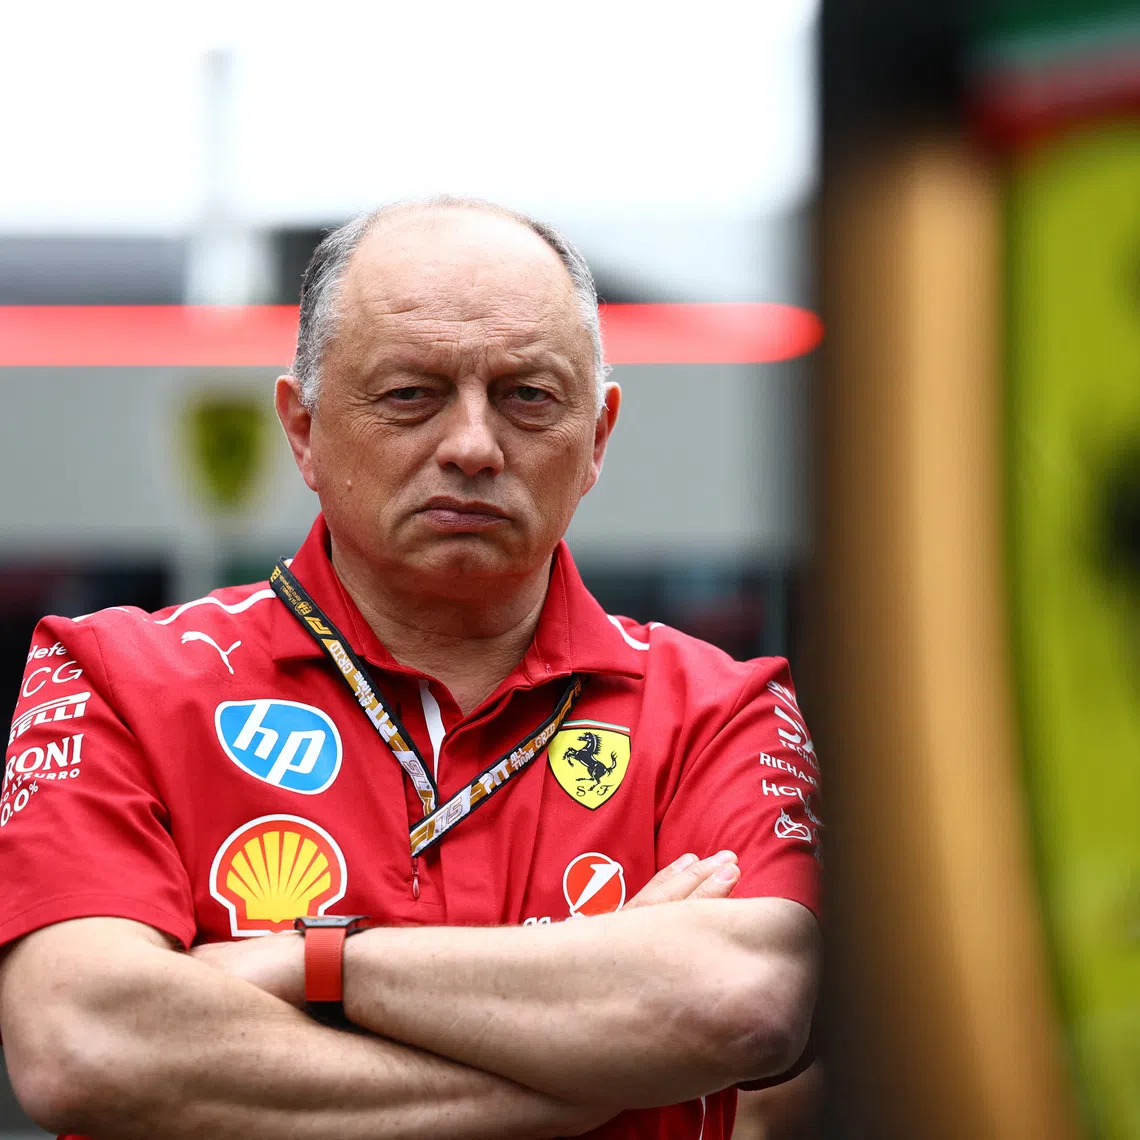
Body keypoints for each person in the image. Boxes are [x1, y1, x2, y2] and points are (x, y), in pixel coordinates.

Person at [0, 198, 822, 1140]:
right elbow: (84, 1044)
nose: (472, 445)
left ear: (596, 438)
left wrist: (313, 967)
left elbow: (749, 1001)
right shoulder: (114, 678)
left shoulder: (722, 708)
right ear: (302, 430)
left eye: (528, 397)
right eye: (409, 395)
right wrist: (606, 1061)